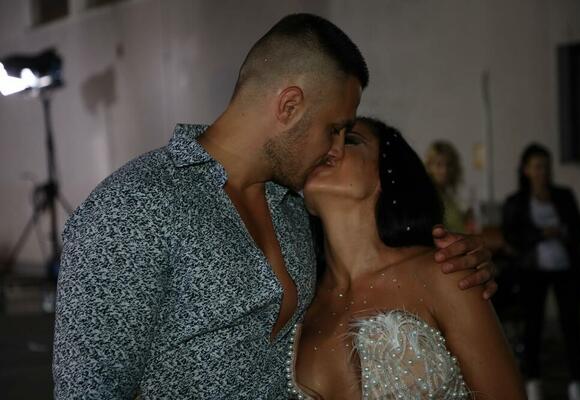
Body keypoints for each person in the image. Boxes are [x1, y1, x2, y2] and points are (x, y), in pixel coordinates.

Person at [53, 14, 497, 399]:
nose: (334, 149)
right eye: (334, 129)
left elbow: (374, 269)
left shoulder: (293, 210)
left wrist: (466, 257)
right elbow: (88, 390)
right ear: (289, 105)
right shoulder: (134, 207)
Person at [287, 117, 524, 399]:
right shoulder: (298, 303)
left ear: (387, 173)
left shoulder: (447, 271)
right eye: (325, 137)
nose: (329, 148)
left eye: (350, 140)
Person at [502, 143, 580, 400]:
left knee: (571, 325)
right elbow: (512, 236)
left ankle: (576, 381)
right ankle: (533, 381)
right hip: (533, 270)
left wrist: (564, 233)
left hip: (564, 268)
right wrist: (541, 234)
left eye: (546, 167)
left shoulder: (563, 196)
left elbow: (579, 229)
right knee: (533, 325)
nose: (543, 172)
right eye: (538, 167)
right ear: (526, 170)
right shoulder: (517, 202)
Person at [426, 140, 468, 233]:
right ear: (429, 166)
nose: (444, 171)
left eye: (448, 165)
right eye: (438, 164)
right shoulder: (428, 196)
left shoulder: (446, 195)